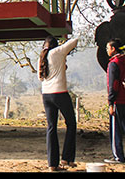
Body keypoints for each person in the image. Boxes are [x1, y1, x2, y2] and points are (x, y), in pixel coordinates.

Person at [37, 35, 79, 171]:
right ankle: (67, 158)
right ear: (56, 45)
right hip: (60, 93)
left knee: (51, 128)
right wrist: (64, 42)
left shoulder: (41, 57)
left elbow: (41, 76)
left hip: (46, 94)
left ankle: (52, 164)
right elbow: (75, 41)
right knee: (71, 124)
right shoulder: (57, 52)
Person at [104, 38, 125, 165]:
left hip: (118, 100)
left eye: (107, 48)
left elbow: (114, 84)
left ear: (113, 49)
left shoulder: (113, 63)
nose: (106, 50)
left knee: (116, 130)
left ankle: (118, 157)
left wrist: (111, 102)